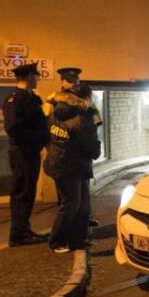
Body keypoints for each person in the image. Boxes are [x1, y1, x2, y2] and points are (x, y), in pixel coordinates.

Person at [44, 83, 102, 253]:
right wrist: (95, 136)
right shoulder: (82, 119)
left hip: (63, 163)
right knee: (70, 204)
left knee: (81, 205)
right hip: (70, 166)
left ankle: (79, 240)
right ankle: (56, 242)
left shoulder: (55, 112)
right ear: (86, 99)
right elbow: (93, 150)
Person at [3, 63, 50, 247]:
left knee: (28, 192)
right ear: (30, 76)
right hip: (23, 153)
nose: (38, 79)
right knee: (22, 192)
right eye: (37, 76)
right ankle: (18, 235)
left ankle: (24, 229)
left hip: (30, 152)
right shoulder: (15, 99)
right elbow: (13, 128)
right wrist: (38, 139)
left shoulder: (30, 98)